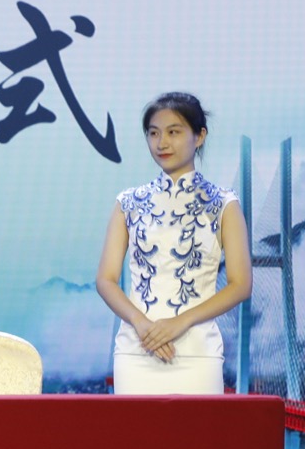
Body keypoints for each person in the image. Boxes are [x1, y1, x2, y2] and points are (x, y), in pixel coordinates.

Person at [94, 92, 252, 395]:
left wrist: (179, 323)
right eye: (153, 133)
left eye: (174, 132)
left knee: (198, 429)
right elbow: (106, 279)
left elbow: (241, 285)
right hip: (136, 351)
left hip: (197, 353)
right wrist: (141, 324)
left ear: (200, 136)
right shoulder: (129, 203)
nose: (162, 143)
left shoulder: (224, 204)